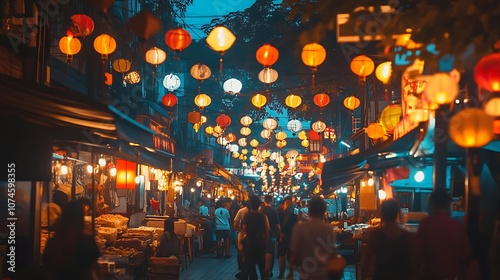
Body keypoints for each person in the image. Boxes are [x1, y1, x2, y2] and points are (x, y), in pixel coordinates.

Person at [417, 189, 472, 280]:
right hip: (452, 276)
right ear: (448, 204)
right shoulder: (458, 226)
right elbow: (465, 254)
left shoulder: (425, 224)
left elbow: (418, 253)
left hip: (429, 276)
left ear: (433, 204)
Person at [43, 201, 100, 280]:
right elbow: (93, 271)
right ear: (81, 219)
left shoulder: (53, 242)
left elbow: (47, 268)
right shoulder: (87, 243)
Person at [361, 199, 415, 280]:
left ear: (382, 214)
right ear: (397, 214)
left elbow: (366, 262)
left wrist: (363, 276)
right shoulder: (408, 236)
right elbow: (413, 263)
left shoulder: (375, 235)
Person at [291, 197, 339, 280]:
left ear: (309, 211)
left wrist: (291, 271)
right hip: (323, 273)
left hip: (306, 273)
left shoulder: (300, 228)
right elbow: (332, 252)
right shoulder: (328, 229)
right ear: (323, 212)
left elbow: (294, 251)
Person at [242, 195, 270, 280]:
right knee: (262, 266)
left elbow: (244, 229)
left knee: (251, 267)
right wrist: (266, 240)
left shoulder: (247, 216)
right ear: (259, 205)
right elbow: (267, 229)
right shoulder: (263, 216)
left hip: (250, 243)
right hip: (260, 243)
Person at [260, 194, 281, 278]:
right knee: (269, 252)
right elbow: (277, 226)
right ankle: (267, 268)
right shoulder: (273, 211)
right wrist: (279, 235)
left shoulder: (260, 210)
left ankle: (264, 269)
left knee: (262, 253)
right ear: (271, 201)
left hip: (260, 235)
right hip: (271, 235)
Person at [277, 196, 298, 279]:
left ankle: (288, 273)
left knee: (288, 256)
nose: (289, 204)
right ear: (284, 203)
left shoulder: (293, 215)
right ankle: (282, 273)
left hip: (289, 237)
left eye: (290, 202)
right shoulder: (280, 214)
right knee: (282, 255)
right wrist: (280, 234)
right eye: (287, 202)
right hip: (284, 236)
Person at [234, 200, 249, 279]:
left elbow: (235, 225)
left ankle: (242, 270)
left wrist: (241, 230)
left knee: (241, 253)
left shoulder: (241, 211)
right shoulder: (259, 211)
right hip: (253, 237)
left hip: (242, 235)